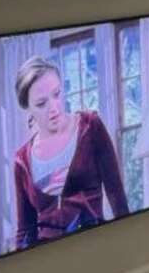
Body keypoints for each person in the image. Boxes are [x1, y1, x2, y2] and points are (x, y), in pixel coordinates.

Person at [13, 56, 129, 250]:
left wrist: (129, 244)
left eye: (57, 94)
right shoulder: (22, 160)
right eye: (41, 103)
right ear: (28, 108)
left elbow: (116, 193)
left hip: (95, 246)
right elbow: (25, 230)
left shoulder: (89, 127)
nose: (54, 108)